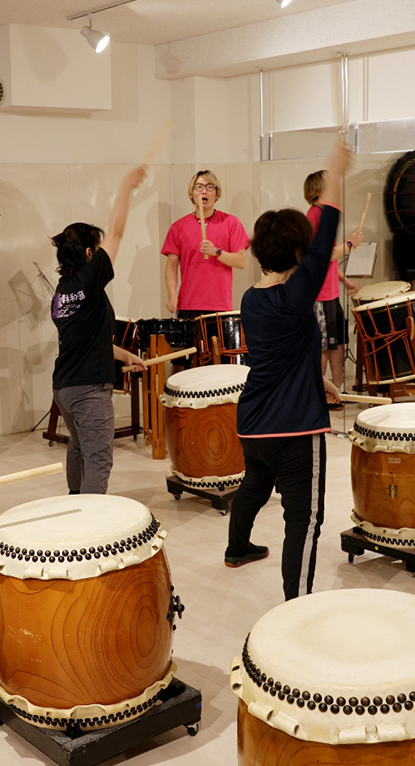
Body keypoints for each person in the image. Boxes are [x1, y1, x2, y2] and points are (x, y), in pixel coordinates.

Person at [224, 142, 350, 601]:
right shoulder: (295, 296)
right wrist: (334, 176)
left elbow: (279, 355)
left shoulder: (251, 299)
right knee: (305, 521)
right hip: (295, 432)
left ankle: (237, 547)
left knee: (254, 487)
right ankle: (294, 610)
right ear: (297, 250)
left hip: (255, 426)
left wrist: (318, 380)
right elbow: (322, 250)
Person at [50, 166, 147, 494]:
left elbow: (89, 341)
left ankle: (75, 502)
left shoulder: (63, 289)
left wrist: (125, 356)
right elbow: (117, 233)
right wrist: (125, 188)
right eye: (99, 246)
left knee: (79, 448)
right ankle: (90, 519)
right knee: (99, 457)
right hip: (89, 390)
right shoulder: (90, 281)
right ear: (90, 253)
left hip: (64, 387)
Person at [303, 170, 362, 390]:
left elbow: (326, 263)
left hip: (331, 293)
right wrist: (349, 244)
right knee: (323, 347)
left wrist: (344, 281)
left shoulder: (321, 215)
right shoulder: (314, 216)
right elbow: (321, 255)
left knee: (337, 344)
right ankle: (321, 391)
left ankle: (338, 390)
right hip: (319, 295)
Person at [162, 170, 249, 317]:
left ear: (216, 194)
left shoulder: (230, 222)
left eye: (210, 187)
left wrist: (216, 252)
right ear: (192, 194)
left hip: (220, 306)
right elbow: (171, 265)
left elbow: (241, 261)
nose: (204, 191)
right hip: (188, 305)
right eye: (199, 187)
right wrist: (172, 294)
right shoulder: (178, 227)